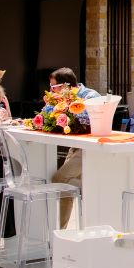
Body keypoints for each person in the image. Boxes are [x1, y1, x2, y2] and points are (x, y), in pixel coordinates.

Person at [48, 68, 101, 228]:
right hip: (76, 147)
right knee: (65, 187)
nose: (52, 91)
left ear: (65, 86)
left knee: (58, 179)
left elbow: (88, 123)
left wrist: (63, 110)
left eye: (54, 87)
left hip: (91, 149)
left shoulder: (91, 97)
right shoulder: (62, 101)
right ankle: (61, 231)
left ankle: (94, 187)